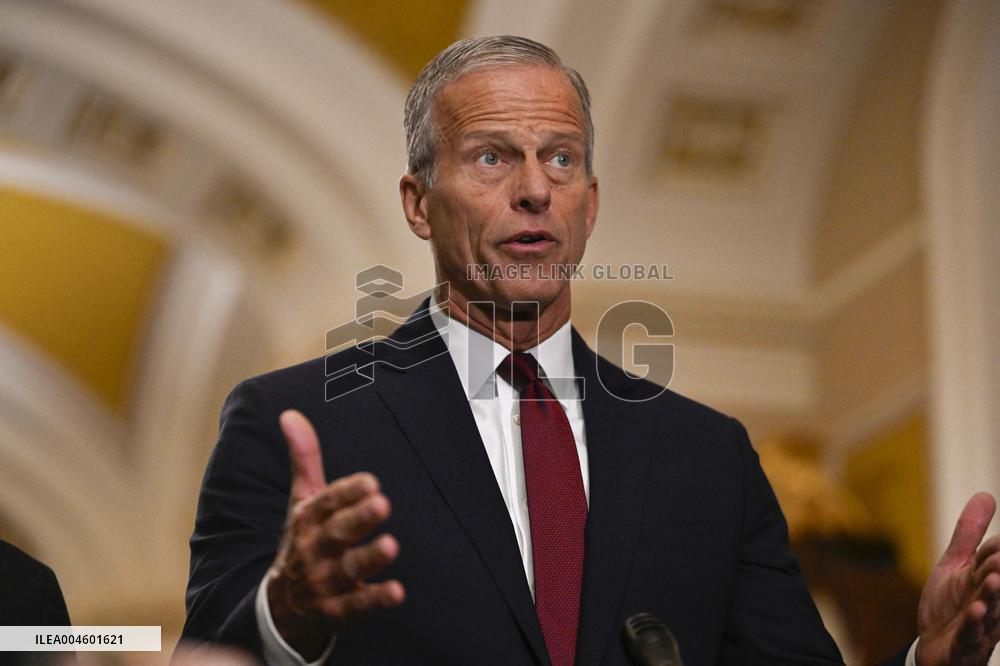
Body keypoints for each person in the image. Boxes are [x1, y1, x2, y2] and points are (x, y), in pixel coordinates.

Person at [181, 36, 1000, 665]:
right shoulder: (296, 423)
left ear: (590, 203)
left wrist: (925, 657)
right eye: (493, 156)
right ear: (419, 203)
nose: (536, 188)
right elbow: (207, 656)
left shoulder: (707, 456)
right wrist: (287, 609)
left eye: (561, 159)